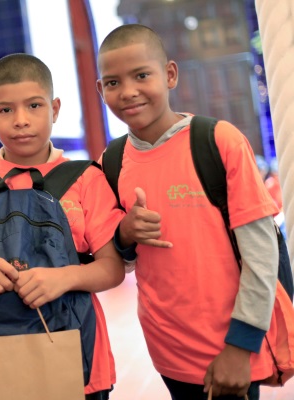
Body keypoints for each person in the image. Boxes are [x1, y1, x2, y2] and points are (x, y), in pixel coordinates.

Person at [96, 24, 279, 399]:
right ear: (101, 90)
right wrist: (125, 234)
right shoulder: (111, 161)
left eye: (141, 75)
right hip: (166, 351)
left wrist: (240, 347)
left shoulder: (218, 141)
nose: (128, 91)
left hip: (231, 349)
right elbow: (119, 261)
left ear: (170, 75)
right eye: (113, 82)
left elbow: (262, 254)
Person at [0, 53, 126, 399]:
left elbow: (112, 269)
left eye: (34, 106)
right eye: (5, 110)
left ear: (55, 109)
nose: (21, 120)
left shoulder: (85, 179)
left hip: (78, 358)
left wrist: (65, 277)